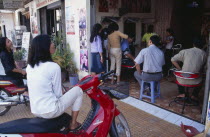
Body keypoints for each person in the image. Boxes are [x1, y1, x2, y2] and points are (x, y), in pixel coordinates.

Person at [26, 35, 83, 130]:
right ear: (45, 47)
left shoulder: (30, 67)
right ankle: (73, 124)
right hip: (51, 111)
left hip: (35, 110)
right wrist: (67, 94)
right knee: (78, 90)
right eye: (50, 42)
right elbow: (58, 94)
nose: (53, 44)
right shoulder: (53, 66)